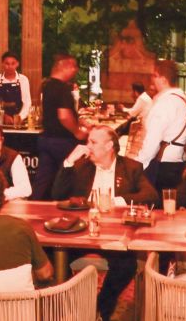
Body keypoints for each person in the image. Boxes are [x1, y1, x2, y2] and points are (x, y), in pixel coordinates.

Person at [51, 125, 158, 320]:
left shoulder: (131, 167)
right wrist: (69, 161)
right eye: (88, 141)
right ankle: (67, 306)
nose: (87, 146)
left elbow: (151, 195)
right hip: (81, 233)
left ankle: (100, 307)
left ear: (109, 146)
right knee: (52, 255)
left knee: (126, 265)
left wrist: (117, 201)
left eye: (93, 142)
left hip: (115, 235)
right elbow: (57, 195)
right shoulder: (80, 166)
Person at [136, 59, 186, 191]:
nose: (152, 79)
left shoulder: (165, 103)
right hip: (185, 165)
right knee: (174, 201)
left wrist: (138, 167)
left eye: (154, 75)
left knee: (159, 202)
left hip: (163, 167)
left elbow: (152, 142)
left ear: (163, 79)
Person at [34, 53, 90, 200]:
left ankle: (35, 203)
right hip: (62, 140)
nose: (75, 70)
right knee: (70, 174)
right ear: (66, 67)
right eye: (74, 67)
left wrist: (78, 120)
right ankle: (71, 203)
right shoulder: (63, 88)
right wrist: (77, 131)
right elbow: (63, 115)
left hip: (46, 138)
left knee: (43, 179)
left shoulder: (46, 86)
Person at [0, 51, 32, 125]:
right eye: (7, 64)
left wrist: (19, 117)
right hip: (0, 120)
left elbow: (27, 103)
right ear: (2, 64)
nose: (10, 67)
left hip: (20, 121)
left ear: (17, 64)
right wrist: (3, 116)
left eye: (13, 63)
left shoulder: (23, 79)